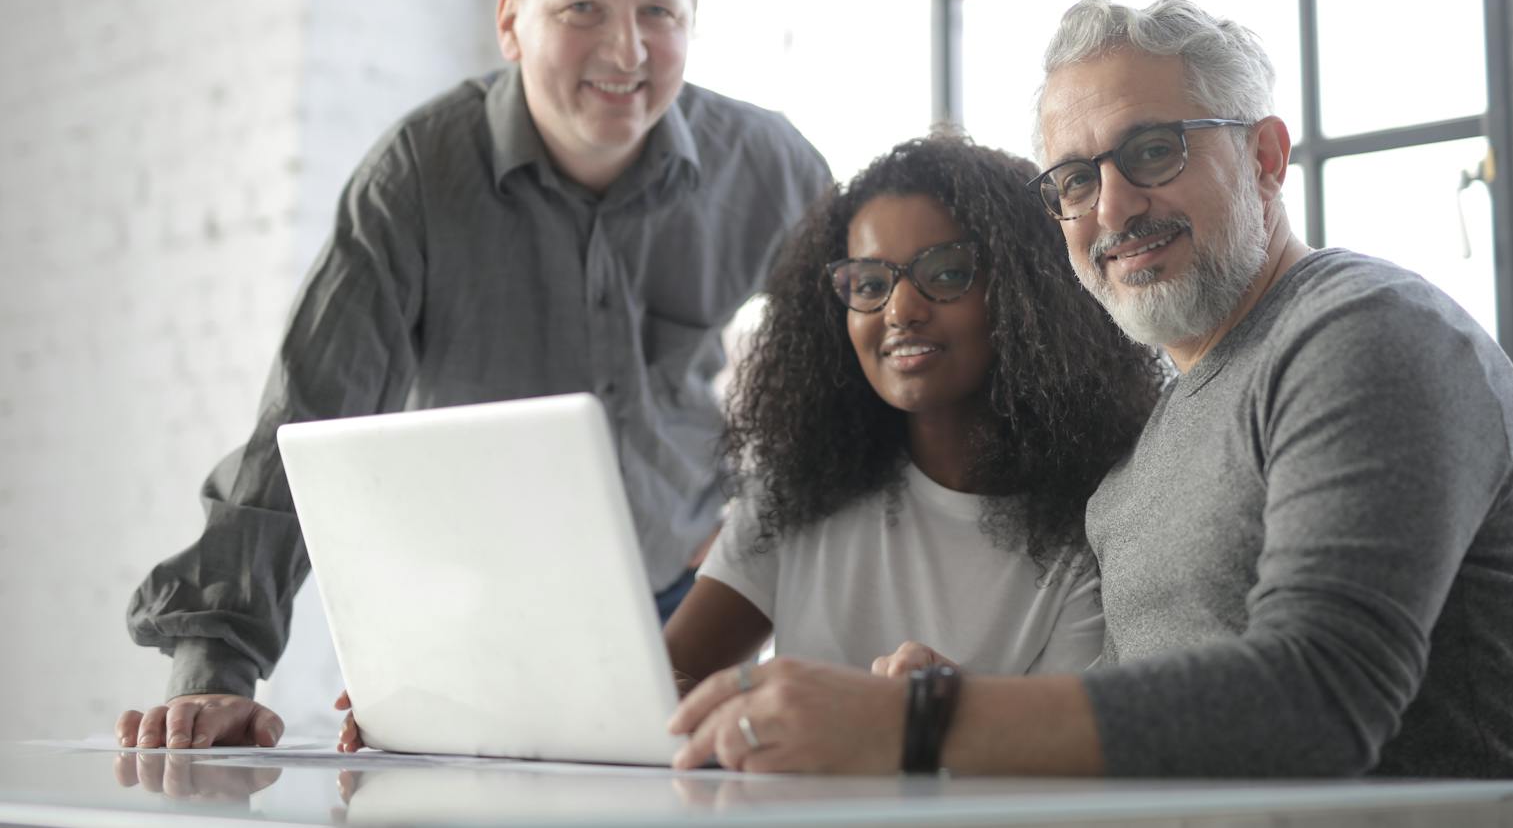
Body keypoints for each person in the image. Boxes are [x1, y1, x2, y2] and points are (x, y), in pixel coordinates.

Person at [668, 0, 1513, 826]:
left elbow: (1320, 700)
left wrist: (921, 721)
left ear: (1265, 157)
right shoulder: (1145, 453)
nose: (1112, 204)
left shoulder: (1366, 333)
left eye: (1153, 150)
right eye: (1073, 178)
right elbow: (1153, 725)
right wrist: (960, 701)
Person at [115, 0, 830, 751]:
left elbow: (863, 373)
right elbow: (300, 427)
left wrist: (755, 526)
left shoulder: (768, 167)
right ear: (510, 20)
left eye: (660, 11)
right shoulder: (413, 178)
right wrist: (216, 670)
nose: (627, 49)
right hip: (469, 619)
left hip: (694, 606)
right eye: (582, 8)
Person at [335, 132, 1164, 753]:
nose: (899, 310)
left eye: (944, 272)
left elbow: (1074, 766)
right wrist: (444, 701)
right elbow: (664, 687)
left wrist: (933, 719)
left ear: (1020, 291)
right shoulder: (800, 488)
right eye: (868, 284)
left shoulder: (1094, 523)